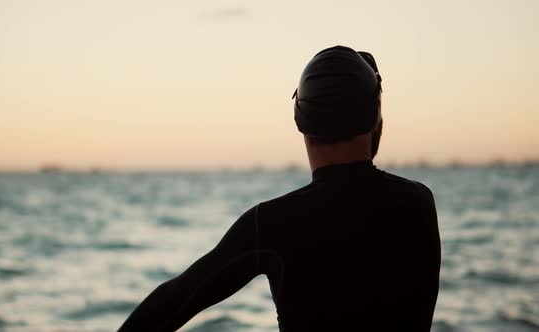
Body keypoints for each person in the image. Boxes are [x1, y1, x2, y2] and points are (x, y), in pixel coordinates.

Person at [117, 45, 441, 331]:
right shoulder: (417, 204)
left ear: (301, 121)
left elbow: (174, 301)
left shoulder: (269, 224)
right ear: (375, 119)